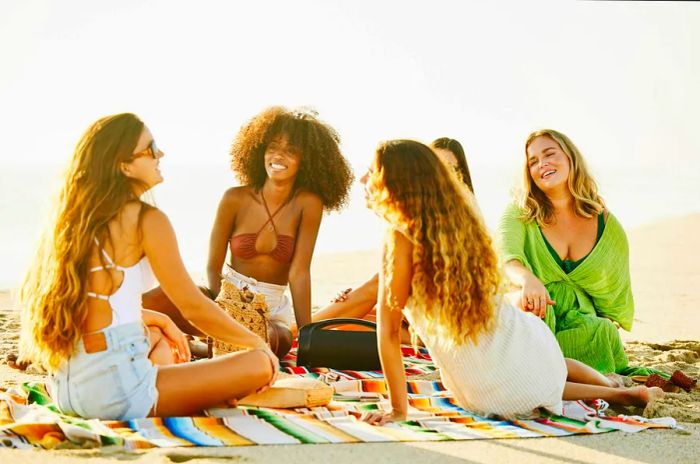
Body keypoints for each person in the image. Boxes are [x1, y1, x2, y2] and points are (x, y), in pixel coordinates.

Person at [358, 139, 661, 424]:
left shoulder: (399, 237)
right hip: (530, 347)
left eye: (371, 172)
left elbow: (386, 333)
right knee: (538, 372)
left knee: (524, 374)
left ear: (394, 182)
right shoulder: (461, 226)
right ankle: (619, 391)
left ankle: (618, 390)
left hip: (487, 394)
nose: (363, 180)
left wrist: (398, 409)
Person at [18, 113, 278, 420]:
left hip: (68, 393)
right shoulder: (146, 220)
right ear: (124, 166)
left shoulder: (71, 221)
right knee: (259, 365)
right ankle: (201, 395)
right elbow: (193, 307)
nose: (161, 154)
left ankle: (189, 392)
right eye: (151, 148)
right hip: (117, 394)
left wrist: (161, 321)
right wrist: (258, 344)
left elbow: (90, 304)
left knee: (161, 340)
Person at [205, 106, 353, 356]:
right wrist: (225, 307)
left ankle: (208, 348)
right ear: (258, 149)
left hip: (270, 307)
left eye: (291, 150)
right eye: (273, 146)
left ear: (306, 160)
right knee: (171, 296)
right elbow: (212, 267)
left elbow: (299, 272)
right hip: (226, 295)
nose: (278, 156)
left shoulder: (308, 203)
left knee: (277, 342)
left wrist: (307, 333)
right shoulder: (234, 198)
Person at [497, 129, 646, 375]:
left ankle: (579, 374)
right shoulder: (520, 211)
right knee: (530, 307)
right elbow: (504, 257)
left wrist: (608, 321)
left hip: (580, 318)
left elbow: (616, 289)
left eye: (549, 154)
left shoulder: (604, 222)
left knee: (602, 331)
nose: (542, 164)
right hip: (533, 308)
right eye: (533, 161)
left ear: (570, 157)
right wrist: (528, 279)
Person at [307, 137, 473, 334]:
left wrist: (361, 297)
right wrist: (353, 301)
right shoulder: (417, 218)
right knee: (343, 324)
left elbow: (383, 284)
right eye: (436, 165)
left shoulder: (460, 219)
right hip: (415, 317)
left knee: (354, 312)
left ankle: (297, 330)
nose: (442, 174)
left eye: (449, 168)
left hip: (443, 326)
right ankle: (305, 328)